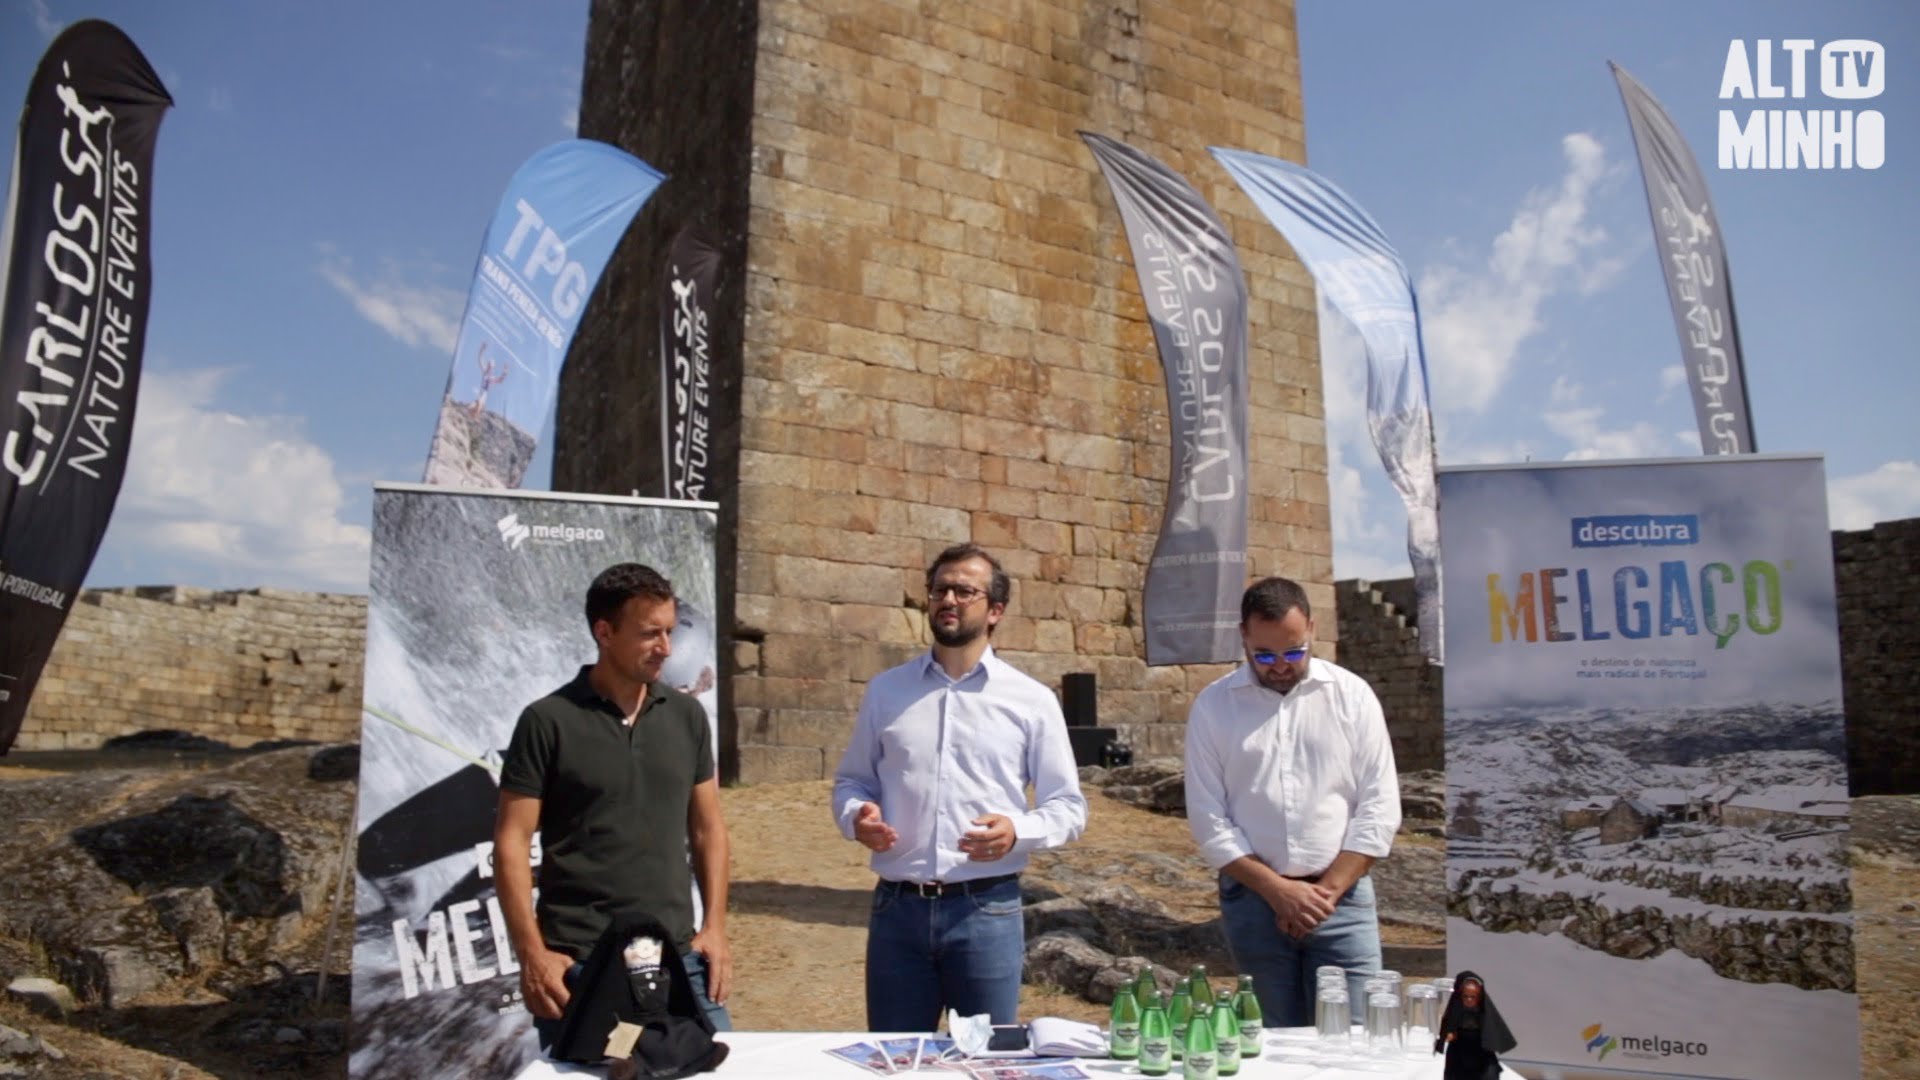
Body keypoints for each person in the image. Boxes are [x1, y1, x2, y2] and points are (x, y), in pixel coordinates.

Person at [832, 543, 1089, 1031]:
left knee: (985, 1059)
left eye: (964, 591)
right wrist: (856, 816)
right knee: (897, 1057)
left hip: (986, 911)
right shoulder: (886, 691)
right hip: (898, 911)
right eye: (939, 590)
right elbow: (853, 781)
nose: (948, 599)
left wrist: (1017, 830)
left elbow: (1068, 807)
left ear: (995, 611)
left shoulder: (1031, 700)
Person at [494, 562, 733, 1050]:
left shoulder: (688, 717)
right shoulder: (546, 721)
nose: (666, 648)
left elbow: (708, 829)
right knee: (599, 1076)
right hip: (581, 965)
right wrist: (533, 954)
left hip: (679, 958)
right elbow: (511, 843)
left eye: (669, 631)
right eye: (649, 634)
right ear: (604, 632)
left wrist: (715, 928)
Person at [1183, 576, 1401, 1027]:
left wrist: (1321, 897)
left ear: (1312, 630)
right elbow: (1208, 818)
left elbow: (1379, 806)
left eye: (1294, 652)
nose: (1281, 665)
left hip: (1342, 900)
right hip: (1254, 901)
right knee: (1272, 1043)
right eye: (1264, 655)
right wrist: (1278, 893)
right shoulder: (1213, 706)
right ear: (1243, 637)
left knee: (1355, 1040)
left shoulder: (1352, 696)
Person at [1436, 971, 1515, 1080]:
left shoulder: (1483, 1011)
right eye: (1466, 996)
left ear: (1479, 997)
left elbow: (1491, 1027)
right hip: (1459, 1048)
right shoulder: (1456, 1010)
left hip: (1480, 1049)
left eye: (1473, 997)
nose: (1469, 1000)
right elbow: (1448, 1025)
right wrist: (1449, 1033)